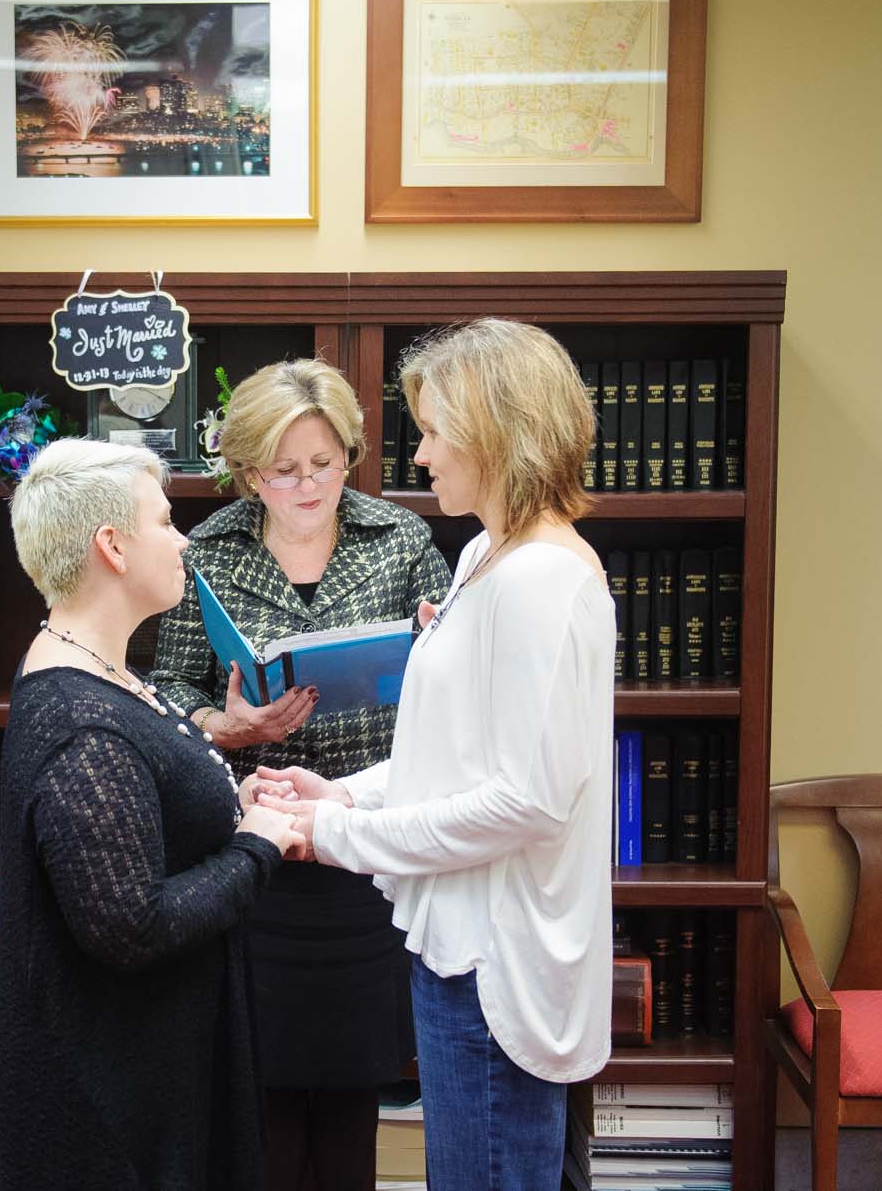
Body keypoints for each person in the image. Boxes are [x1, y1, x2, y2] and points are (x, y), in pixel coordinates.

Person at [258, 321, 615, 1191]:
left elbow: (523, 800)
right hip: (456, 954)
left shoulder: (541, 580)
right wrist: (339, 792)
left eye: (433, 430)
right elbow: (453, 751)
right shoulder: (483, 555)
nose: (419, 455)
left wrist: (334, 835)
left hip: (495, 975)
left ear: (497, 431)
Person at [150, 359, 451, 1191]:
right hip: (255, 850)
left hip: (365, 850)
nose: (308, 483)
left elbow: (451, 672)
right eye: (284, 470)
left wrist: (431, 646)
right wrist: (226, 722)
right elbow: (170, 685)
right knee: (264, 1106)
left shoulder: (402, 539)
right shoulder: (207, 551)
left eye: (324, 463)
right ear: (250, 471)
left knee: (355, 1097)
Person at [0, 438, 305, 1191]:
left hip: (147, 1083)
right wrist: (254, 847)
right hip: (107, 1121)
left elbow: (145, 818)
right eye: (165, 522)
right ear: (113, 546)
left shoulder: (107, 672)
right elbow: (130, 923)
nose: (183, 539)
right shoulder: (79, 721)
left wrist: (234, 807)